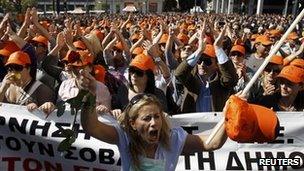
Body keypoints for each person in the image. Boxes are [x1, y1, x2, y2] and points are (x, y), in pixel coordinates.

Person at [79, 69, 227, 170]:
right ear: (133, 124)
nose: (154, 123)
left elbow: (212, 143)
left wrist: (229, 113)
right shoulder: (125, 136)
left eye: (157, 117)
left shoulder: (173, 139)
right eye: (147, 118)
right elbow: (92, 127)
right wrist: (89, 95)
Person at [0, 51, 56, 116]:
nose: (13, 72)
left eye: (18, 68)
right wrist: (3, 88)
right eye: (10, 69)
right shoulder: (5, 85)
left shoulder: (42, 90)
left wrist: (38, 109)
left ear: (28, 69)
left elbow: (49, 116)